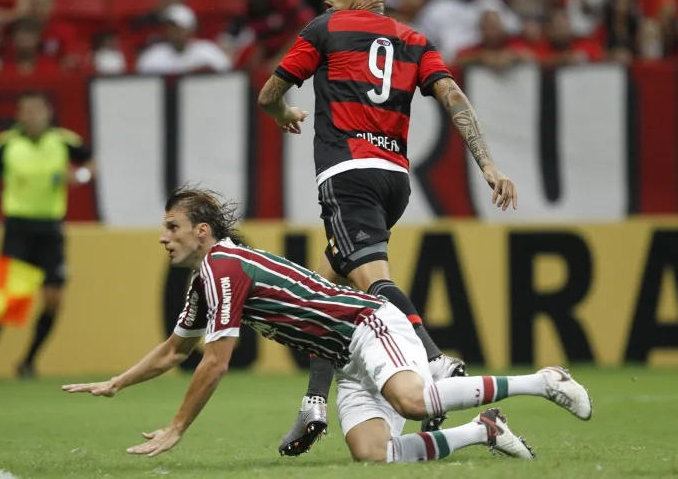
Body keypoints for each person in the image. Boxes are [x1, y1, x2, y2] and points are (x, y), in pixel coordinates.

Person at [62, 186, 592, 463]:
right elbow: (176, 350)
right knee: (373, 454)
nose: (163, 236)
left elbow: (214, 363)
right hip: (347, 357)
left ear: (202, 231)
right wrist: (118, 382)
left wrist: (177, 428)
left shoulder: (223, 266)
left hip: (368, 324)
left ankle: (544, 382)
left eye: (171, 226)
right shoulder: (208, 276)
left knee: (411, 400)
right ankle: (484, 431)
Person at [257, 0, 519, 455]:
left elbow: (269, 92)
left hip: (348, 173)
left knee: (373, 283)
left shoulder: (324, 30)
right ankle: (313, 401)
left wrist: (283, 115)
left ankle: (434, 359)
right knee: (328, 294)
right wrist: (487, 164)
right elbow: (454, 99)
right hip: (394, 180)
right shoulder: (415, 40)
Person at [0, 92, 96, 380]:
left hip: (50, 227)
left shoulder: (64, 141)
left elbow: (91, 163)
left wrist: (78, 177)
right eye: (26, 111)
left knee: (53, 298)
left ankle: (28, 360)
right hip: (16, 226)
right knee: (6, 299)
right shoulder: (6, 144)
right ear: (19, 115)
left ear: (48, 112)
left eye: (37, 110)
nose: (32, 116)